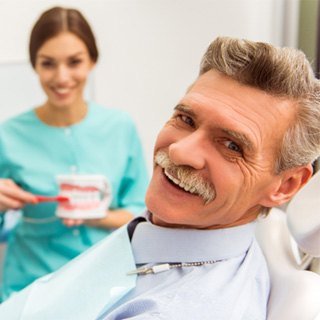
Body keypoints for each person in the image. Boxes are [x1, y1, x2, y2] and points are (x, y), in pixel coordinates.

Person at [1, 36, 320, 319]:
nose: (181, 151)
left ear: (286, 185)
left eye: (232, 145)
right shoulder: (164, 226)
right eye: (186, 118)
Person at [0, 6, 149, 301]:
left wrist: (98, 217)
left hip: (105, 284)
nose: (62, 76)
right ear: (35, 65)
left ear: (92, 60)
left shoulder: (119, 127)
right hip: (28, 287)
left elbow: (143, 212)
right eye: (48, 63)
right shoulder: (8, 134)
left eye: (74, 62)